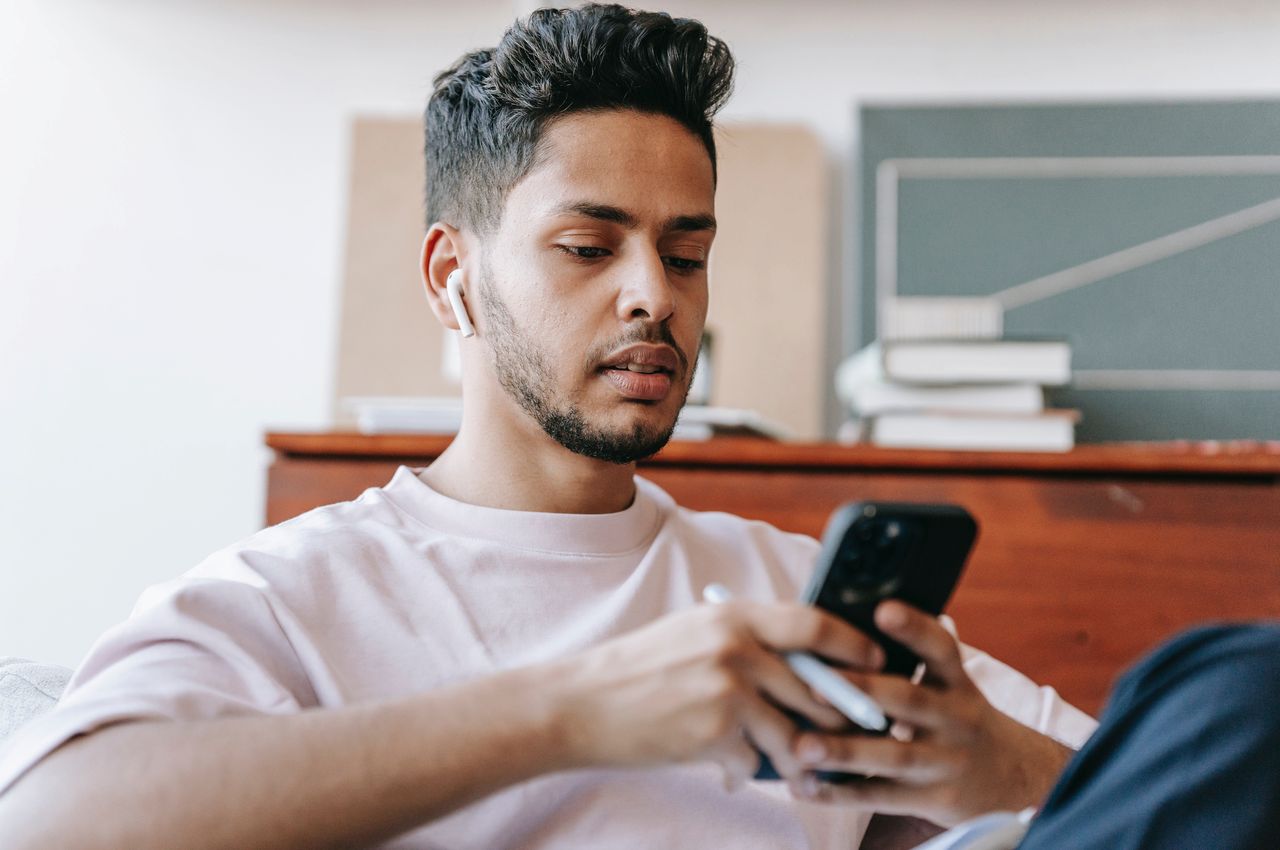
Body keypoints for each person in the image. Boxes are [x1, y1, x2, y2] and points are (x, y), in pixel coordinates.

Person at [0, 6, 1094, 848]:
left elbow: (1192, 795)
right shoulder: (292, 595)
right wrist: (580, 709)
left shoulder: (794, 598)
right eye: (588, 245)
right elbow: (43, 817)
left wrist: (989, 764)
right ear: (452, 277)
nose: (651, 297)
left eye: (684, 254)